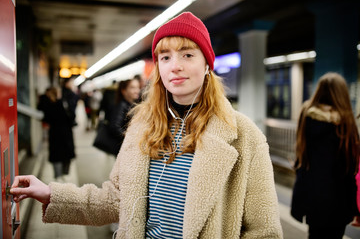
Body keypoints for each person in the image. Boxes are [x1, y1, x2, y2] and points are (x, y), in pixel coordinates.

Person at [10, 12, 283, 238]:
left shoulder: (244, 136)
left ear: (208, 65)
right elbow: (116, 200)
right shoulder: (142, 127)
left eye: (187, 55)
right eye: (165, 57)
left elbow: (264, 230)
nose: (174, 66)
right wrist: (49, 193)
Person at [291, 72, 359, 239]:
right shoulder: (346, 125)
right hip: (339, 202)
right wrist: (356, 208)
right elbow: (352, 170)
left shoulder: (306, 118)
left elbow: (301, 160)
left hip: (313, 199)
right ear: (342, 95)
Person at [37, 87, 76, 181]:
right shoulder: (62, 103)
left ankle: (57, 176)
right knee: (66, 154)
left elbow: (44, 116)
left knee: (56, 155)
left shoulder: (46, 104)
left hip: (54, 133)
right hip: (66, 132)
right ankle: (64, 174)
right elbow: (71, 116)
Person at [108, 78, 140, 154]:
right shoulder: (122, 106)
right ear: (123, 91)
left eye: (138, 87)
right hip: (123, 149)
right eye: (132, 88)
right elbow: (115, 127)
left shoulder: (129, 104)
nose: (137, 91)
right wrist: (130, 137)